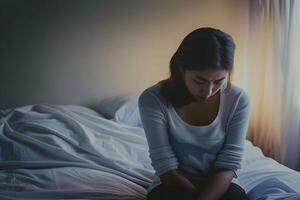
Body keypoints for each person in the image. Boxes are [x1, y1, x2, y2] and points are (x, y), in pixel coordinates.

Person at [138, 27, 250, 200]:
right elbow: (166, 169)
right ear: (181, 69)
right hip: (172, 184)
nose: (208, 91)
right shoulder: (153, 99)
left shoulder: (238, 99)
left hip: (220, 184)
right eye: (199, 80)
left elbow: (229, 164)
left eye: (219, 81)